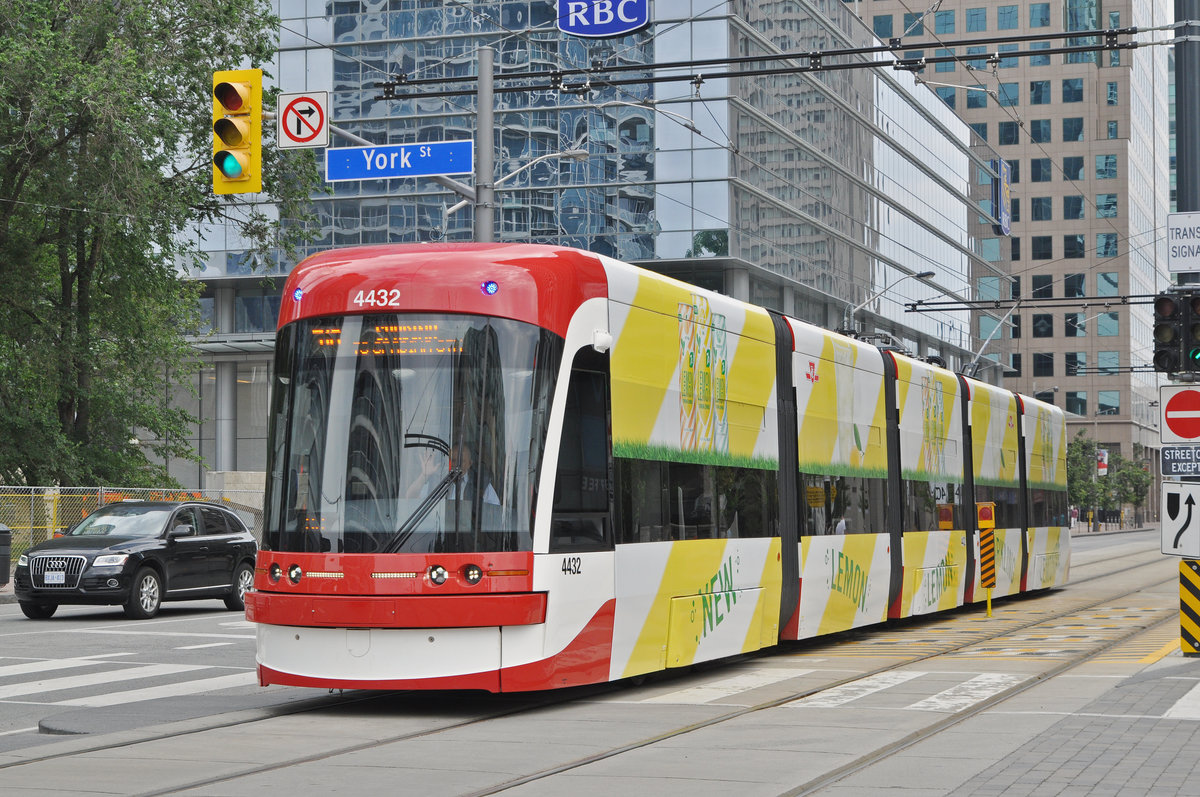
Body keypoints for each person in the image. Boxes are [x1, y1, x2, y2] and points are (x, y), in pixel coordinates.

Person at [406, 441, 499, 505]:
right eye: (453, 460)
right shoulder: (438, 481)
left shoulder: (480, 484)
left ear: (470, 464)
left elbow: (495, 510)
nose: (457, 465)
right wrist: (424, 475)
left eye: (461, 461)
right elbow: (410, 497)